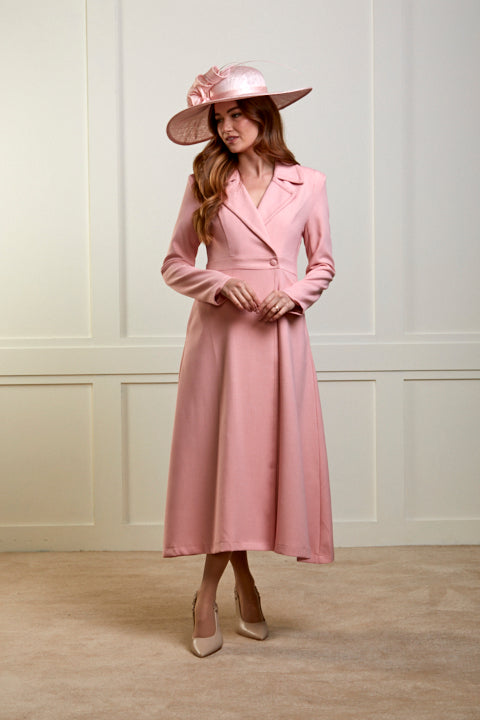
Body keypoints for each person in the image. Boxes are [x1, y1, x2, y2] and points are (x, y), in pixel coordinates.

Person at [162, 63, 335, 657]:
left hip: (278, 334)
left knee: (255, 464)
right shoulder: (204, 181)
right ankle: (216, 591)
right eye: (218, 118)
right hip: (221, 338)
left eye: (236, 115)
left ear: (263, 116)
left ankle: (233, 583)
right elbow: (174, 263)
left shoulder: (308, 183)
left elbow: (323, 263)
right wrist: (216, 282)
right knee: (225, 461)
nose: (227, 127)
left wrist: (296, 294)